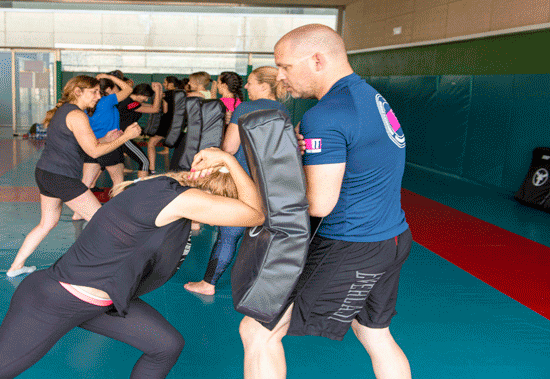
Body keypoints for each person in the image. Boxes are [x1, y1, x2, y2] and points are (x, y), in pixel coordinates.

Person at [0, 148, 265, 379]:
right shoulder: (178, 199)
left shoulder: (167, 192)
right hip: (56, 299)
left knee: (166, 345)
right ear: (214, 196)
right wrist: (227, 160)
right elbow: (255, 213)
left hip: (102, 301)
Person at [238, 24, 412, 379]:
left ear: (317, 60)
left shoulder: (325, 114)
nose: (281, 78)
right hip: (391, 237)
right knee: (374, 333)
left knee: (257, 330)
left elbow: (319, 205)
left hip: (351, 243)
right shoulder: (368, 97)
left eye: (285, 67)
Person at [6, 75, 142, 277]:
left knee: (47, 223)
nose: (99, 96)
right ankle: (99, 269)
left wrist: (105, 138)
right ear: (78, 92)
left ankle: (15, 267)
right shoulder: (77, 115)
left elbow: (80, 144)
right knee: (102, 221)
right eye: (94, 92)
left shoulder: (65, 112)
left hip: (46, 173)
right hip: (61, 177)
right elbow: (94, 152)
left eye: (99, 91)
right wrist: (125, 137)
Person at [184, 66, 288, 296]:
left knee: (229, 234)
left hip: (242, 179)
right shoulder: (282, 109)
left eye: (250, 82)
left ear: (264, 86)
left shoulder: (246, 107)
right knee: (263, 236)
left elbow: (229, 149)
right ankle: (262, 286)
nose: (247, 87)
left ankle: (208, 284)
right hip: (271, 182)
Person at [117, 82, 163, 178]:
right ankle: (141, 189)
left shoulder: (132, 103)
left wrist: (160, 91)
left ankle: (91, 185)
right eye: (145, 97)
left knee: (108, 164)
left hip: (120, 135)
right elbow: (155, 109)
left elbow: (153, 107)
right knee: (144, 162)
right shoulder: (130, 104)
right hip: (122, 136)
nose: (146, 100)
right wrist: (158, 92)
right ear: (140, 94)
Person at [146, 76, 182, 175]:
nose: (164, 84)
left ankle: (152, 168)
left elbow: (164, 110)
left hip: (166, 123)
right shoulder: (180, 93)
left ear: (171, 84)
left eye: (165, 83)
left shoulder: (167, 95)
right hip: (177, 123)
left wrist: (158, 91)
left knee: (151, 144)